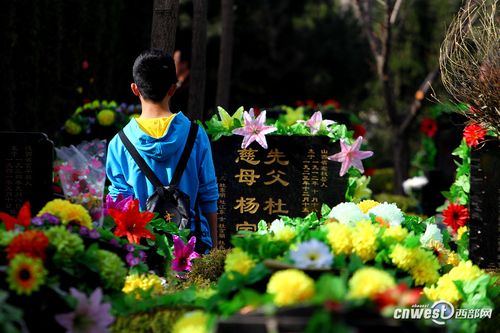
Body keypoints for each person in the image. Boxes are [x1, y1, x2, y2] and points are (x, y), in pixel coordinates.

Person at [106, 49, 218, 252]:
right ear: (173, 89)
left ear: (134, 89)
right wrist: (216, 248)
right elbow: (208, 195)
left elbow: (118, 203)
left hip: (143, 252)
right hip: (193, 251)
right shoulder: (196, 135)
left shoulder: (119, 143)